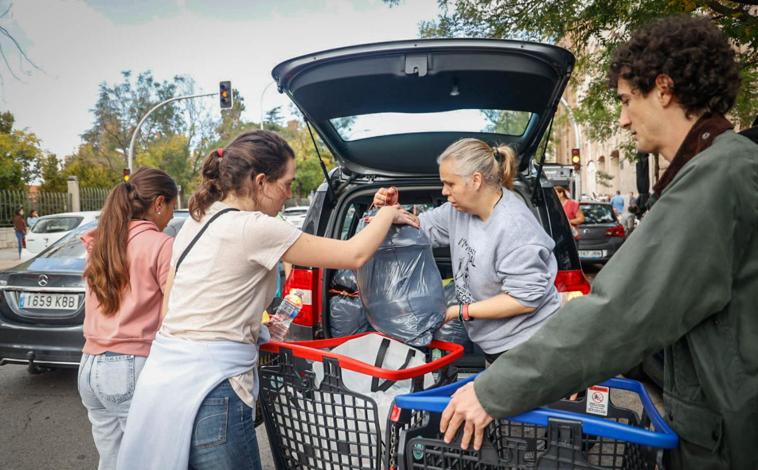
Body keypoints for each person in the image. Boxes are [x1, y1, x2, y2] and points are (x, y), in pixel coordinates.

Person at [439, 15, 757, 470]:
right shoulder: (722, 165)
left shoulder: (715, 176)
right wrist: (596, 363)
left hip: (730, 436)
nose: (624, 119)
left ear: (663, 89)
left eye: (628, 100)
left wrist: (492, 391)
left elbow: (622, 311)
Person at [117, 130, 416, 470]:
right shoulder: (253, 227)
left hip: (165, 380)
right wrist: (387, 215)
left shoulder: (199, 220)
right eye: (286, 183)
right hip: (211, 389)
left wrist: (251, 330)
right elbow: (355, 254)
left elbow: (176, 301)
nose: (289, 194)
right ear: (261, 182)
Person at [373, 138, 560, 364]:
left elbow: (523, 300)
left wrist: (458, 311)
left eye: (450, 184)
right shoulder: (457, 212)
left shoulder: (515, 227)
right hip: (497, 347)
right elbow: (418, 227)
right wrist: (390, 210)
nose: (444, 191)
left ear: (476, 180)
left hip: (532, 348)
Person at [78, 168, 177, 470]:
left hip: (89, 366)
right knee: (148, 461)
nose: (172, 216)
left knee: (112, 460)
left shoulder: (101, 243)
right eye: (173, 207)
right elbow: (172, 312)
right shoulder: (161, 244)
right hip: (130, 365)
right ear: (159, 203)